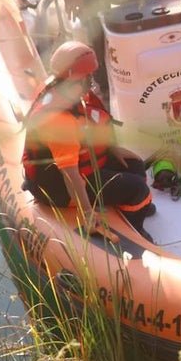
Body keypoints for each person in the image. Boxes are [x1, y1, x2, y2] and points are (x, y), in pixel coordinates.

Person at [22, 41, 155, 242]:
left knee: (135, 165)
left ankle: (134, 206)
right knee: (137, 188)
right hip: (58, 187)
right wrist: (86, 213)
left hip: (86, 165)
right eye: (88, 77)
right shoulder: (59, 120)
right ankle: (134, 231)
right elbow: (70, 175)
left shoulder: (69, 93)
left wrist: (111, 149)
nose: (91, 81)